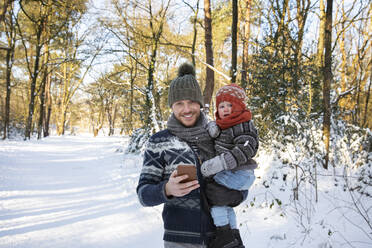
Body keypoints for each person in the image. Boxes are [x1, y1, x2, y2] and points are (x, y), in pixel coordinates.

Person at [136, 63, 245, 248]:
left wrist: (235, 195)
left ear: (200, 104)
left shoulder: (219, 135)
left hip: (222, 237)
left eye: (191, 102)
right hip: (180, 241)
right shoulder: (159, 142)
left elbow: (242, 181)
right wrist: (167, 190)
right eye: (179, 103)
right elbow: (143, 194)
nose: (186, 109)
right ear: (172, 106)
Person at [201, 84, 259, 248]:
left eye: (230, 105)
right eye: (221, 106)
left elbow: (246, 148)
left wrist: (219, 163)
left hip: (240, 173)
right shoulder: (226, 124)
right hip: (235, 174)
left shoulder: (244, 125)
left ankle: (224, 234)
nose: (225, 109)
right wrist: (212, 126)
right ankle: (234, 235)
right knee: (224, 203)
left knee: (214, 196)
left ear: (239, 107)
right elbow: (217, 132)